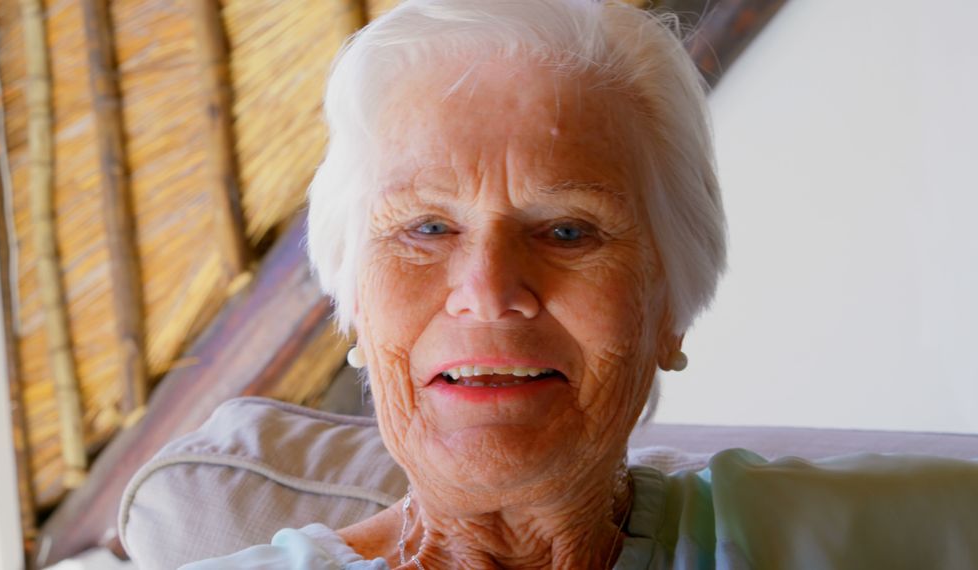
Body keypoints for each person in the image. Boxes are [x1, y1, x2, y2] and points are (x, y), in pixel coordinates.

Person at [181, 0, 978, 568]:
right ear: (355, 301)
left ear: (670, 305)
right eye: (427, 228)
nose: (489, 290)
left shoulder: (902, 536)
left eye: (567, 230)